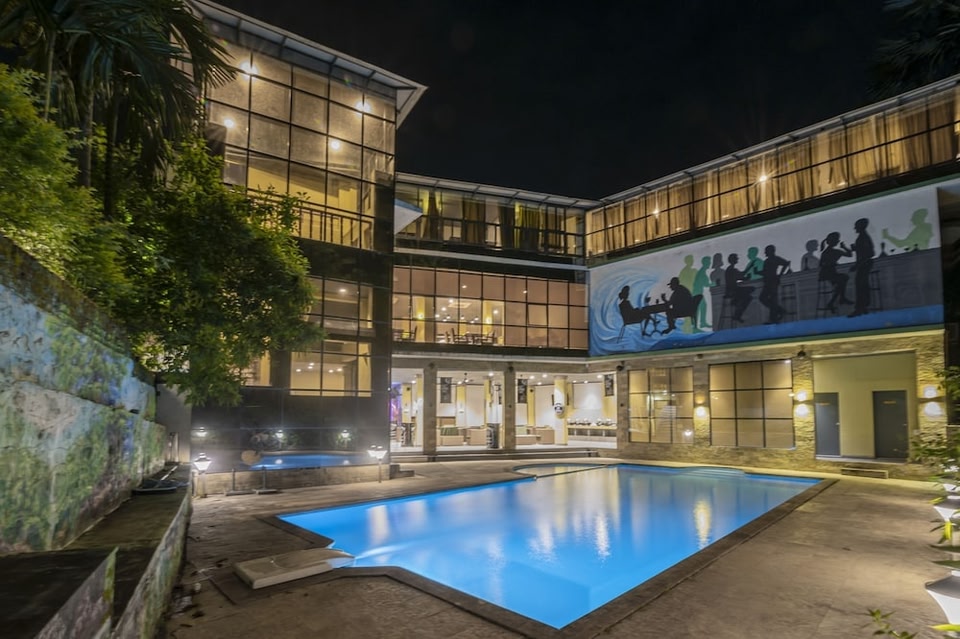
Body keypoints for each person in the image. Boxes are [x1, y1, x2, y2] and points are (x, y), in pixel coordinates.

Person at [818, 231, 853, 313]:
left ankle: (835, 301)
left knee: (842, 281)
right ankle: (840, 299)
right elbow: (850, 254)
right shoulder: (833, 252)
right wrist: (844, 247)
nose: (838, 241)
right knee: (843, 279)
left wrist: (844, 247)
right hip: (826, 274)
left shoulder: (830, 252)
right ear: (833, 241)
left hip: (830, 274)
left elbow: (849, 255)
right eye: (837, 239)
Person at [849, 217, 875, 317]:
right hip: (864, 264)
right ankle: (863, 307)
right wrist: (856, 249)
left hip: (864, 264)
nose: (854, 228)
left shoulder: (863, 237)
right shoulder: (863, 237)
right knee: (862, 285)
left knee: (861, 286)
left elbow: (868, 253)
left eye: (856, 226)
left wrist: (857, 265)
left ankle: (860, 308)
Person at [758, 244, 790, 323]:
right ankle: (779, 311)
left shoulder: (776, 259)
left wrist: (780, 275)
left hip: (772, 281)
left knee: (772, 300)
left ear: (771, 251)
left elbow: (786, 263)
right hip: (767, 282)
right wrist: (757, 272)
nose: (765, 252)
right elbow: (765, 272)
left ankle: (774, 318)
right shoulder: (767, 261)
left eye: (766, 251)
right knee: (764, 299)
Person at [724, 253, 753, 323]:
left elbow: (740, 277)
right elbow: (741, 275)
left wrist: (746, 277)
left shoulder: (730, 269)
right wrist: (750, 267)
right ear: (733, 260)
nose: (737, 259)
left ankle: (736, 302)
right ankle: (737, 312)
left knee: (749, 293)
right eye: (736, 258)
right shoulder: (731, 269)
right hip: (732, 290)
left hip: (732, 290)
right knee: (749, 295)